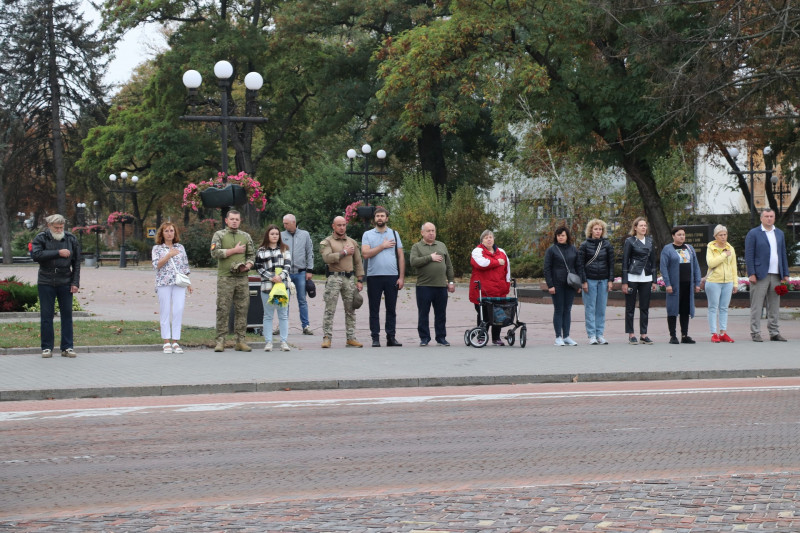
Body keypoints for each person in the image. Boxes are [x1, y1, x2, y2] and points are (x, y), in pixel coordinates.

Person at [31, 214, 81, 358]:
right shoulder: (41, 238)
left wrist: (75, 282)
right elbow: (36, 255)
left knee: (67, 315)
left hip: (65, 280)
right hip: (46, 281)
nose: (59, 230)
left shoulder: (71, 239)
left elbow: (76, 263)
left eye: (61, 227)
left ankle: (67, 347)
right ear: (49, 226)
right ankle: (46, 347)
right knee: (46, 315)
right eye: (56, 227)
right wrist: (58, 253)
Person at [210, 210, 255, 352]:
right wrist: (233, 251)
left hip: (241, 278)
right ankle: (220, 341)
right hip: (225, 277)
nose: (234, 221)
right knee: (223, 308)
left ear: (240, 221)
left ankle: (240, 341)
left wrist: (247, 266)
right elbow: (214, 252)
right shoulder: (219, 235)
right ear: (226, 220)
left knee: (242, 308)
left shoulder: (246, 236)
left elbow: (252, 255)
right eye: (232, 219)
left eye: (237, 219)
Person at [361, 207, 405, 347]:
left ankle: (391, 337)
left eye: (382, 216)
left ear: (387, 218)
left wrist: (401, 277)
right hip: (374, 276)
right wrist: (383, 246)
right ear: (374, 219)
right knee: (374, 308)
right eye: (378, 216)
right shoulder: (367, 234)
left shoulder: (394, 233)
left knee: (391, 308)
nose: (380, 218)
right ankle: (375, 337)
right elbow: (366, 254)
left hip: (392, 276)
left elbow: (400, 256)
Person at [745, 208, 791, 342]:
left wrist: (785, 273)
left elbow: (783, 254)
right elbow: (749, 255)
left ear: (774, 218)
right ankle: (755, 332)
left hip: (776, 274)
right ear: (761, 218)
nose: (769, 218)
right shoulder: (754, 233)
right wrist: (751, 273)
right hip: (759, 275)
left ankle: (774, 332)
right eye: (766, 216)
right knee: (757, 305)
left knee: (774, 306)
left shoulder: (780, 233)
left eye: (771, 216)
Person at [320, 216, 365, 348]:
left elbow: (358, 262)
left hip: (349, 279)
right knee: (330, 309)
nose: (342, 227)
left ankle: (351, 337)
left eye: (344, 225)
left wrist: (360, 279)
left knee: (351, 309)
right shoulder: (327, 242)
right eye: (339, 225)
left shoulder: (352, 242)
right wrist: (343, 252)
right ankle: (327, 337)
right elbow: (327, 258)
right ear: (333, 226)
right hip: (334, 277)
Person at [409, 222, 455, 346]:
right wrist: (430, 257)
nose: (431, 233)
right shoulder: (417, 247)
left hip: (440, 286)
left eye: (433, 230)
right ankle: (424, 338)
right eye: (428, 231)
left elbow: (449, 265)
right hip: (424, 286)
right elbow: (413, 262)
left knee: (441, 314)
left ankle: (441, 338)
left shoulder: (441, 245)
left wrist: (451, 281)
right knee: (423, 313)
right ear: (422, 233)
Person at [152, 222, 192, 354]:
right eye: (167, 231)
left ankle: (175, 341)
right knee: (165, 310)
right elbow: (156, 265)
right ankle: (166, 341)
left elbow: (185, 265)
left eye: (172, 231)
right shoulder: (157, 248)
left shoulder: (180, 247)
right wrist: (169, 255)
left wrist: (189, 283)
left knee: (178, 309)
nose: (170, 233)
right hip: (164, 282)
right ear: (162, 234)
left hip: (179, 282)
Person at [660, 226, 702, 344]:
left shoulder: (689, 248)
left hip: (687, 284)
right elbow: (663, 267)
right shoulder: (668, 249)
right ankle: (673, 336)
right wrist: (667, 284)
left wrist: (697, 282)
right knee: (673, 309)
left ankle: (685, 335)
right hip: (674, 285)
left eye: (683, 234)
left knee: (685, 310)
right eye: (679, 234)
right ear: (673, 236)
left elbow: (696, 266)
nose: (682, 237)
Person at [468, 229, 511, 346]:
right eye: (486, 237)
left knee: (498, 315)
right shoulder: (477, 251)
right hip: (482, 291)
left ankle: (496, 338)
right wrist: (497, 262)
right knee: (484, 315)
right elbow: (482, 263)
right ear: (482, 240)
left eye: (491, 237)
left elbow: (507, 270)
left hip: (498, 290)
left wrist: (507, 283)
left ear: (494, 239)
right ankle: (482, 336)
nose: (489, 239)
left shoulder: (502, 252)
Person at [544, 226, 583, 346]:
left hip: (570, 284)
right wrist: (550, 285)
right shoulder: (552, 250)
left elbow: (578, 267)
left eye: (563, 235)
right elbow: (547, 269)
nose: (561, 237)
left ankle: (566, 336)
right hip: (557, 284)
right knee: (559, 309)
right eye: (559, 235)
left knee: (568, 310)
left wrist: (579, 283)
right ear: (556, 237)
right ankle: (558, 337)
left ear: (567, 236)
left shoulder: (573, 249)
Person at [621, 217, 658, 345]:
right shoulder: (630, 241)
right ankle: (631, 334)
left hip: (646, 277)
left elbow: (653, 261)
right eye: (641, 225)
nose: (644, 227)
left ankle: (644, 334)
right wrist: (624, 282)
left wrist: (654, 280)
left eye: (645, 225)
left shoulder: (650, 241)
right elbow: (625, 261)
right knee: (630, 307)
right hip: (632, 277)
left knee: (644, 307)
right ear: (635, 227)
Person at [256, 224, 292, 352]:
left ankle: (284, 342)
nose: (275, 236)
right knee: (268, 315)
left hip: (281, 288)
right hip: (267, 287)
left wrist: (280, 277)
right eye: (272, 234)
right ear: (267, 235)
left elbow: (288, 266)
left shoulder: (284, 249)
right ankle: (269, 342)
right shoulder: (261, 250)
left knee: (283, 314)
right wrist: (271, 277)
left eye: (277, 234)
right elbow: (259, 267)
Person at [578, 219, 614, 345]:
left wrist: (610, 280)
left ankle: (600, 334)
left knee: (601, 309)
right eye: (595, 229)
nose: (598, 231)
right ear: (591, 230)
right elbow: (580, 265)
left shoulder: (607, 245)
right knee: (590, 308)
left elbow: (611, 264)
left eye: (600, 229)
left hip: (603, 280)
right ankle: (591, 335)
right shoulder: (584, 245)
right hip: (590, 280)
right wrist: (583, 281)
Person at [281, 214, 314, 335]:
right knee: (284, 300)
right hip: (286, 273)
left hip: (301, 272)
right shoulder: (281, 235)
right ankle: (282, 325)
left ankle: (306, 326)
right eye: (284, 223)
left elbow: (309, 252)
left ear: (293, 222)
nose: (284, 226)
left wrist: (310, 270)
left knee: (302, 300)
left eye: (286, 223)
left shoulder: (305, 234)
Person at [706, 224, 738, 343]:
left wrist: (735, 283)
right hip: (714, 281)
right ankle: (714, 333)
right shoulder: (711, 248)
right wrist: (724, 254)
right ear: (715, 236)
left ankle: (723, 332)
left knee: (724, 308)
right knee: (713, 307)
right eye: (720, 235)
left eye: (725, 234)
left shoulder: (731, 248)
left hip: (728, 282)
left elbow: (733, 266)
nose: (723, 237)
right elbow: (711, 263)